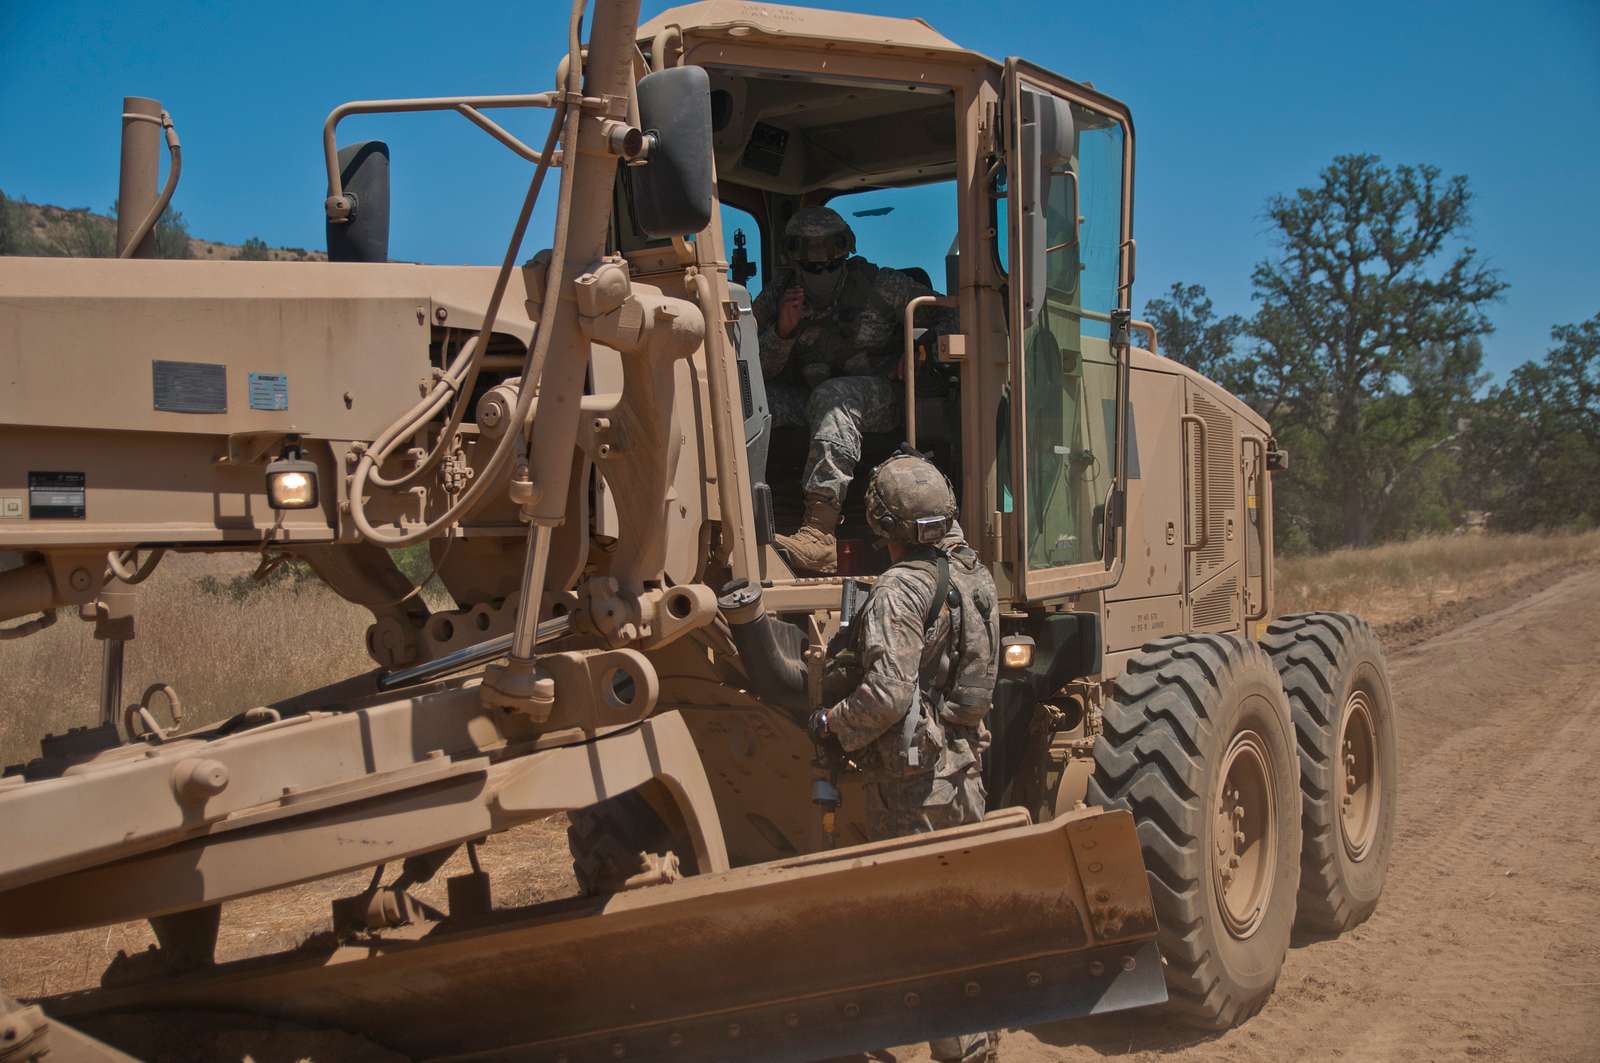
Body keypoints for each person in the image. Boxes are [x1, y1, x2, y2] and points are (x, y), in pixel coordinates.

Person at [807, 449, 1000, 1063]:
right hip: (963, 768)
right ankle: (978, 1039)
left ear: (879, 521)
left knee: (920, 924)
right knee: (961, 915)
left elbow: (889, 695)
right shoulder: (972, 575)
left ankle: (955, 1048)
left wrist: (831, 724)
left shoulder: (899, 589)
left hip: (912, 786)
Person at [752, 206, 958, 573]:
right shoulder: (779, 294)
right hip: (815, 400)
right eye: (811, 268)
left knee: (835, 396)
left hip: (882, 399)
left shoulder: (880, 285)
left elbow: (951, 312)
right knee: (749, 398)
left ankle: (818, 533)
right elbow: (752, 368)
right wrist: (782, 334)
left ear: (843, 257)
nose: (820, 274)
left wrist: (918, 354)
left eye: (830, 266)